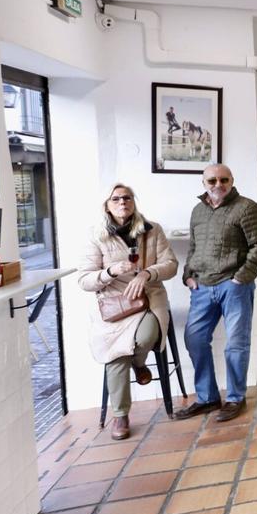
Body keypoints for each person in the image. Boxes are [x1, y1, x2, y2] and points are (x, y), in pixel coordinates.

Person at [77, 184, 179, 440]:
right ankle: (120, 415)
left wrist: (146, 274)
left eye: (127, 197)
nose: (122, 202)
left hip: (148, 300)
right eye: (116, 199)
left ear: (134, 201)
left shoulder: (152, 230)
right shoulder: (96, 235)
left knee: (144, 338)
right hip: (114, 307)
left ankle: (139, 363)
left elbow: (171, 265)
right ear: (107, 204)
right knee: (115, 352)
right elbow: (84, 280)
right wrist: (110, 272)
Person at [176, 164, 257, 422]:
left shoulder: (247, 207)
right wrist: (188, 275)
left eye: (224, 179)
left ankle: (234, 398)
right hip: (202, 287)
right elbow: (194, 247)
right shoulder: (198, 211)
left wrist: (241, 277)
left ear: (232, 180)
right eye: (212, 181)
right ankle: (207, 398)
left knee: (236, 344)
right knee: (194, 340)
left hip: (234, 286)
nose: (218, 185)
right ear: (204, 183)